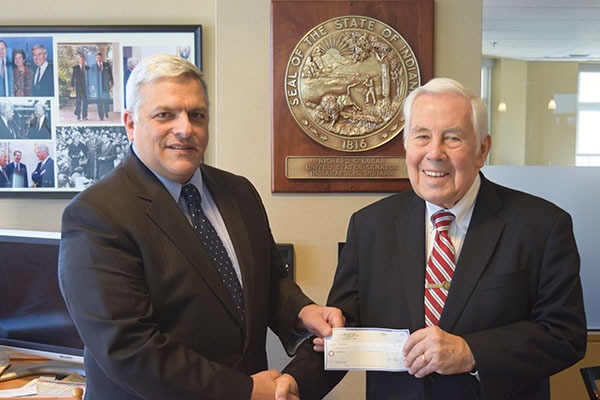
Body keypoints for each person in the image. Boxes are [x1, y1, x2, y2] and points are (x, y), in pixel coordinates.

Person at [278, 78, 587, 400]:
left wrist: (471, 352)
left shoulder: (542, 225)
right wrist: (296, 381)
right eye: (422, 136)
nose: (434, 153)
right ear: (407, 145)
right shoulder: (370, 226)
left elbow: (565, 335)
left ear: (482, 149)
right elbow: (344, 332)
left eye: (452, 138)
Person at [58, 53, 344, 400]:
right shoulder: (97, 214)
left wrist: (301, 311)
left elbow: (267, 282)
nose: (185, 128)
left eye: (197, 115)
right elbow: (129, 349)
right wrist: (247, 390)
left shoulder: (238, 192)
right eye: (165, 114)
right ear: (130, 124)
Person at [91, 52, 114, 120]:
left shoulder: (107, 65)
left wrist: (112, 82)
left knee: (106, 100)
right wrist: (92, 85)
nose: (99, 59)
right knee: (99, 101)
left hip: (105, 85)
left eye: (100, 58)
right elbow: (92, 77)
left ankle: (106, 112)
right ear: (96, 58)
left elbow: (110, 74)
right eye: (97, 58)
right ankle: (101, 116)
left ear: (102, 58)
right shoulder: (93, 66)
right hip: (97, 86)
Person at [71, 54, 89, 120]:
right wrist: (72, 85)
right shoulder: (75, 68)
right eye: (81, 60)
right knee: (78, 101)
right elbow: (73, 77)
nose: (82, 61)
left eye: (84, 60)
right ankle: (78, 115)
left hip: (85, 87)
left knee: (85, 102)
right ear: (79, 60)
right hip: (78, 87)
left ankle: (85, 116)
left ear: (85, 60)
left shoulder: (87, 68)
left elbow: (90, 78)